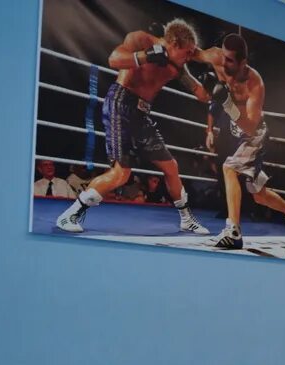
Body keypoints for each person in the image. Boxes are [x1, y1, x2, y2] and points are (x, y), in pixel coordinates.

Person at [56, 19, 211, 236]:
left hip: (142, 114)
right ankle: (70, 214)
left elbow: (201, 93)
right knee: (121, 174)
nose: (189, 57)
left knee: (171, 167)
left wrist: (215, 89)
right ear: (174, 43)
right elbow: (114, 59)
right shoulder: (141, 40)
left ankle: (186, 219)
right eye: (187, 52)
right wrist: (145, 56)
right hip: (121, 104)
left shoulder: (178, 67)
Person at [194, 34, 285, 249]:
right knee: (258, 194)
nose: (224, 63)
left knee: (229, 168)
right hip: (237, 133)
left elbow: (250, 127)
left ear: (243, 62)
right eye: (223, 57)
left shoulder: (254, 83)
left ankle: (233, 232)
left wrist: (227, 104)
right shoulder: (217, 58)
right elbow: (192, 53)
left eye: (230, 60)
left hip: (254, 134)